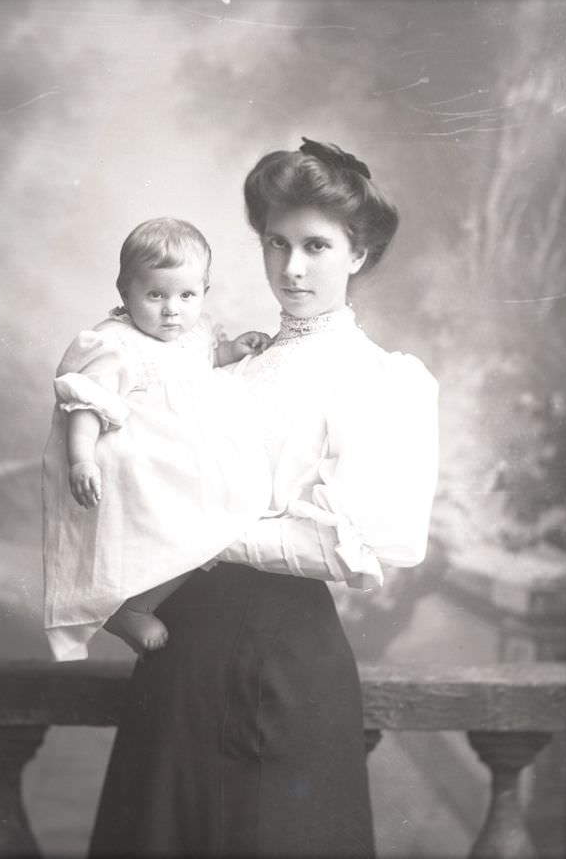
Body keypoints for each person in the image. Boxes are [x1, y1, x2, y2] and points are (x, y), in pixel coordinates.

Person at [89, 138, 439, 858]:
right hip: (180, 656)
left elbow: (363, 543)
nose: (292, 266)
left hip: (283, 662)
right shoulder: (231, 362)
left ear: (359, 254)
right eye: (275, 243)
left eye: (316, 244)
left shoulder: (378, 380)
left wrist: (206, 530)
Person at [42, 217, 272, 661]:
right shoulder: (114, 344)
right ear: (124, 292)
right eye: (155, 295)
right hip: (143, 459)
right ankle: (132, 607)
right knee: (173, 527)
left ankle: (138, 602)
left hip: (187, 457)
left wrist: (233, 351)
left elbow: (205, 362)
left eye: (186, 295)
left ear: (204, 292)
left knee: (220, 522)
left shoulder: (197, 331)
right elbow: (87, 405)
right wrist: (81, 460)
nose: (172, 309)